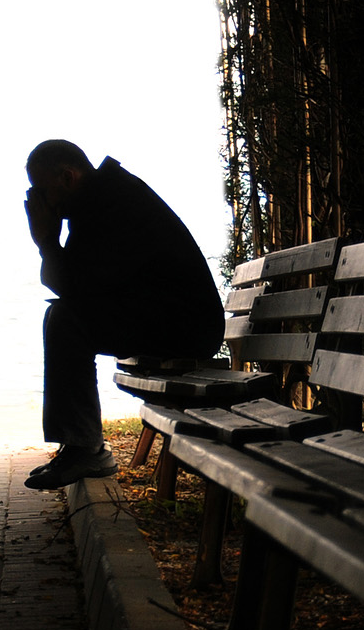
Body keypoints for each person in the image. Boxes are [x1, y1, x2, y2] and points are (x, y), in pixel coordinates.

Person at [22, 139, 222, 491]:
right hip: (165, 317)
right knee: (64, 316)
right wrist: (49, 244)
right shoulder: (99, 198)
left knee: (67, 319)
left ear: (68, 177)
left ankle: (86, 449)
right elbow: (80, 288)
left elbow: (77, 289)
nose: (37, 201)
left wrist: (46, 242)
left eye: (40, 190)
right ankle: (78, 445)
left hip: (186, 327)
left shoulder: (112, 204)